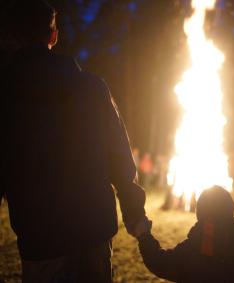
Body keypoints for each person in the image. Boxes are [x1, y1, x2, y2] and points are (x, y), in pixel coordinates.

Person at [1, 1, 146, 282]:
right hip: (93, 229)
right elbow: (119, 156)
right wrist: (134, 214)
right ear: (54, 35)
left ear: (13, 37)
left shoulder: (6, 94)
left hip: (42, 236)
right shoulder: (91, 87)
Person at [133, 186, 234, 283]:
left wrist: (144, 236)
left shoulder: (194, 248)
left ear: (200, 213)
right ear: (230, 210)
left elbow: (160, 263)